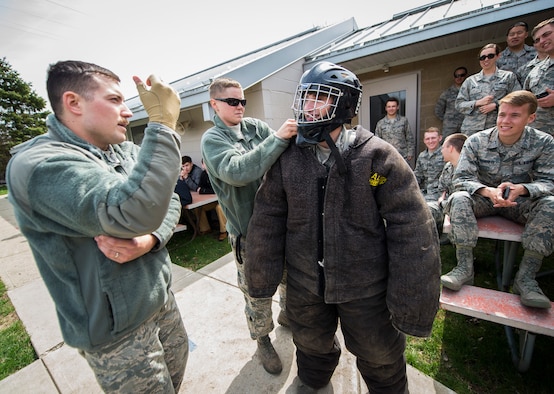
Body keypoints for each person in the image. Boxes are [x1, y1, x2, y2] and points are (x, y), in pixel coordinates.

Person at [245, 61, 441, 392]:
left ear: (344, 104)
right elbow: (267, 217)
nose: (307, 107)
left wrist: (412, 303)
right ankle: (313, 379)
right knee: (310, 343)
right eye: (305, 98)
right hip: (305, 283)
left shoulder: (379, 156)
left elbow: (412, 227)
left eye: (318, 98)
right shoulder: (288, 158)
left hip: (364, 287)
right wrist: (261, 279)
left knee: (379, 352)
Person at [5, 61, 188, 392]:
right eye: (115, 100)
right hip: (117, 334)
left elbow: (168, 197)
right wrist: (162, 124)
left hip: (160, 302)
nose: (128, 112)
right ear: (74, 103)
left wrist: (152, 239)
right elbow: (134, 210)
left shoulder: (121, 149)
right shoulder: (40, 165)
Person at [200, 77, 298, 375]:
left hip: (279, 225)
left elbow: (283, 157)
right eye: (232, 101)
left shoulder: (255, 128)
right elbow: (238, 171)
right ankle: (263, 339)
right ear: (214, 104)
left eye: (242, 100)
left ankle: (287, 316)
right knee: (256, 293)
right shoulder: (213, 140)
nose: (240, 106)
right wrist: (278, 138)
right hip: (249, 234)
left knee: (289, 279)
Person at [442, 90, 554, 310]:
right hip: (484, 199)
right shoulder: (477, 141)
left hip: (519, 202)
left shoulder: (544, 142)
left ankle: (526, 279)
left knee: (551, 204)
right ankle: (464, 268)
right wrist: (487, 191)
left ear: (530, 117)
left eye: (514, 115)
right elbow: (461, 178)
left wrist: (523, 189)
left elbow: (550, 181)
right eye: (502, 114)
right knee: (459, 197)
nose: (505, 121)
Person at [455, 43, 521, 136]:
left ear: (498, 56)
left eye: (490, 56)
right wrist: (477, 102)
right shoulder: (470, 81)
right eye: (482, 57)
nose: (486, 60)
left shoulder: (508, 77)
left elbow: (518, 99)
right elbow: (459, 105)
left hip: (498, 127)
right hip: (472, 130)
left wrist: (496, 105)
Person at [427, 133, 468, 243]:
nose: (441, 150)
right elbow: (442, 189)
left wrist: (444, 204)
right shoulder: (448, 167)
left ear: (450, 148)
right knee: (426, 209)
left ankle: (450, 237)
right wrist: (442, 200)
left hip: (461, 209)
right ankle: (428, 242)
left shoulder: (469, 167)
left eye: (443, 147)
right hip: (445, 205)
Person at [523, 18, 554, 136]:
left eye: (546, 35)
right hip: (541, 140)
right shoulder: (535, 71)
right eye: (538, 39)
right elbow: (525, 100)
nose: (542, 41)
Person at [374, 96, 414, 164]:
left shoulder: (403, 121)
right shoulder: (380, 123)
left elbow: (409, 137)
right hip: (386, 156)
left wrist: (410, 153)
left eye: (393, 106)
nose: (391, 108)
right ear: (386, 108)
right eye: (389, 106)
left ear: (397, 107)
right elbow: (377, 140)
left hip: (402, 156)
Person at [196, 159, 228, 241]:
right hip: (211, 200)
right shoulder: (203, 174)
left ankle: (224, 231)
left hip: (223, 200)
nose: (206, 165)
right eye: (204, 164)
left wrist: (205, 191)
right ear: (202, 165)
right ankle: (205, 228)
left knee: (219, 208)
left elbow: (219, 190)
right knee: (200, 208)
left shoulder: (217, 173)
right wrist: (205, 191)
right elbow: (199, 189)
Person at [434, 67, 468, 137]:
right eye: (456, 76)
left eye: (462, 75)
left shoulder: (469, 92)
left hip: (466, 124)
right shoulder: (447, 93)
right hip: (450, 126)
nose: (459, 78)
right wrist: (447, 119)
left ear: (466, 76)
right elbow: (438, 109)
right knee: (447, 144)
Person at [414, 127, 445, 202]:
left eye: (433, 138)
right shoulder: (422, 156)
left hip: (439, 193)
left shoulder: (445, 154)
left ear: (440, 138)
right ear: (424, 141)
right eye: (427, 139)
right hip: (425, 192)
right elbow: (417, 176)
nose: (430, 141)